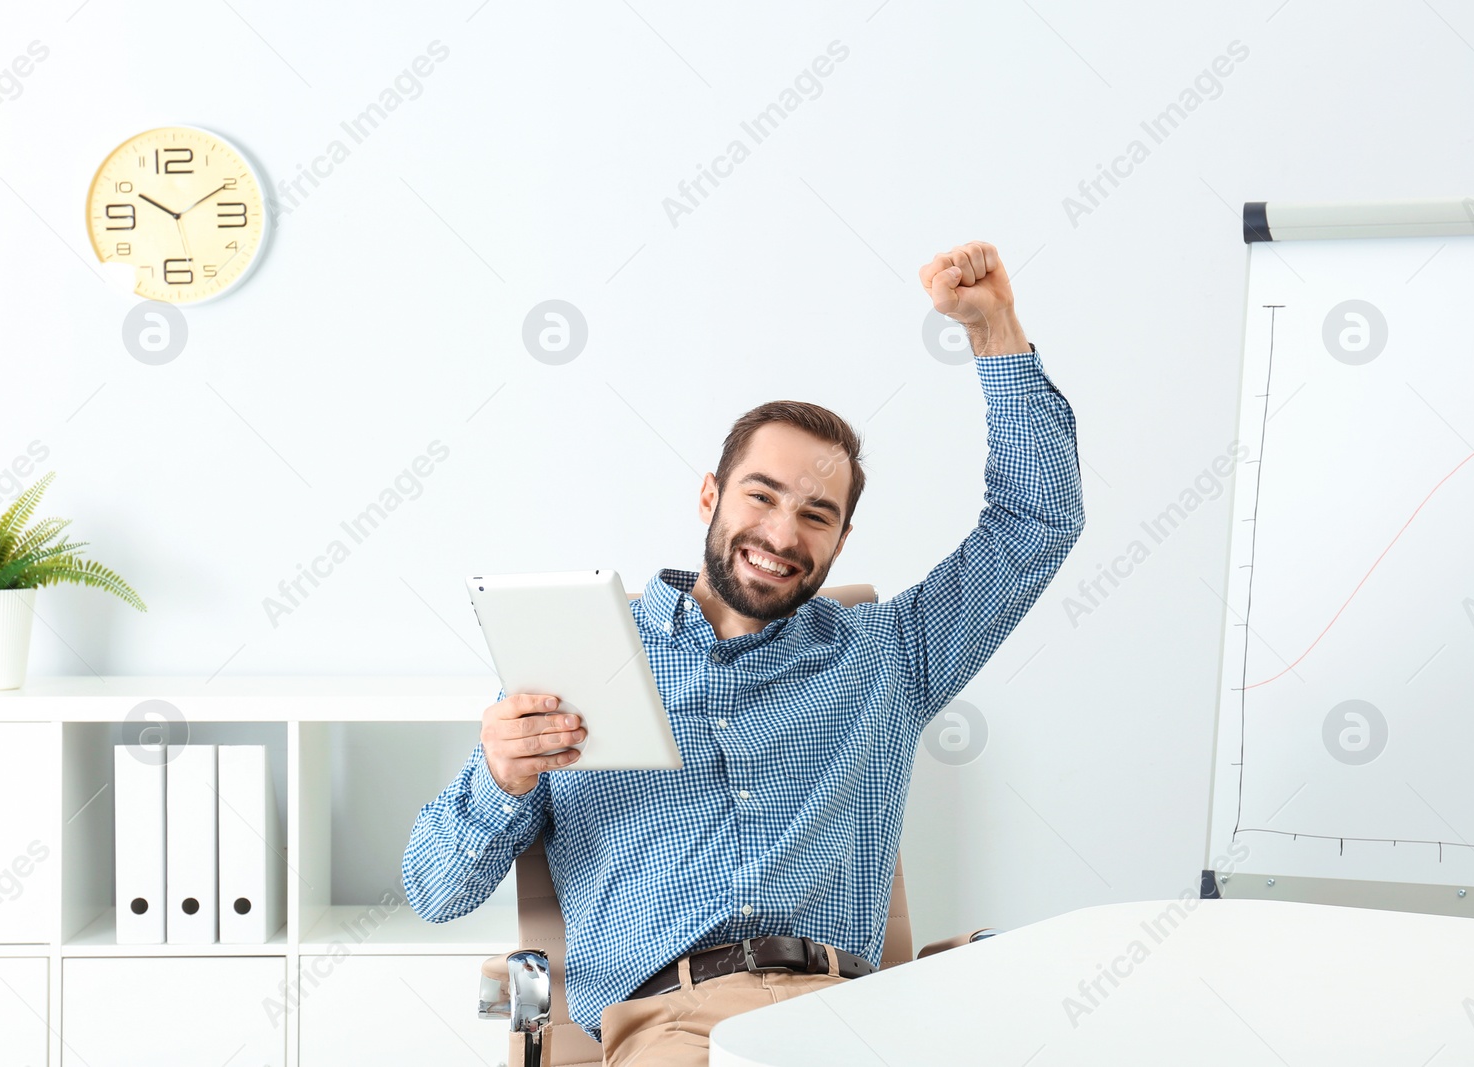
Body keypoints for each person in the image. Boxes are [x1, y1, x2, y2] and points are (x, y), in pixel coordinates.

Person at [403, 241, 1085, 1065]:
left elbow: (1036, 523)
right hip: (672, 1023)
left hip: (850, 1012)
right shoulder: (576, 654)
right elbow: (436, 891)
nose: (781, 533)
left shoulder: (890, 654)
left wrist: (995, 331)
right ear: (710, 496)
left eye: (816, 513)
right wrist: (500, 776)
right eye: (762, 495)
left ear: (840, 539)